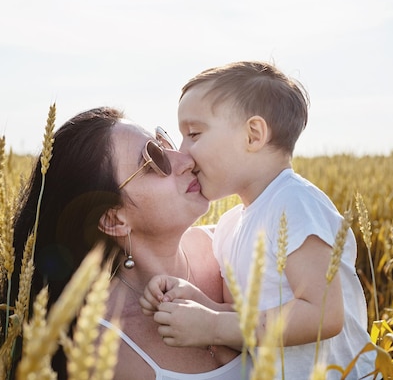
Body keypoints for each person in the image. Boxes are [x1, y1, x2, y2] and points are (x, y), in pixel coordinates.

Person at [140, 61, 377, 379]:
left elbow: (323, 314)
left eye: (194, 134)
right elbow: (252, 319)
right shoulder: (228, 227)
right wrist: (199, 303)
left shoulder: (295, 204)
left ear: (253, 135)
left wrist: (212, 326)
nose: (183, 153)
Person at [10, 107, 252, 379]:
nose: (185, 159)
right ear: (114, 220)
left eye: (164, 143)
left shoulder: (240, 243)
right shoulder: (106, 348)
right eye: (154, 159)